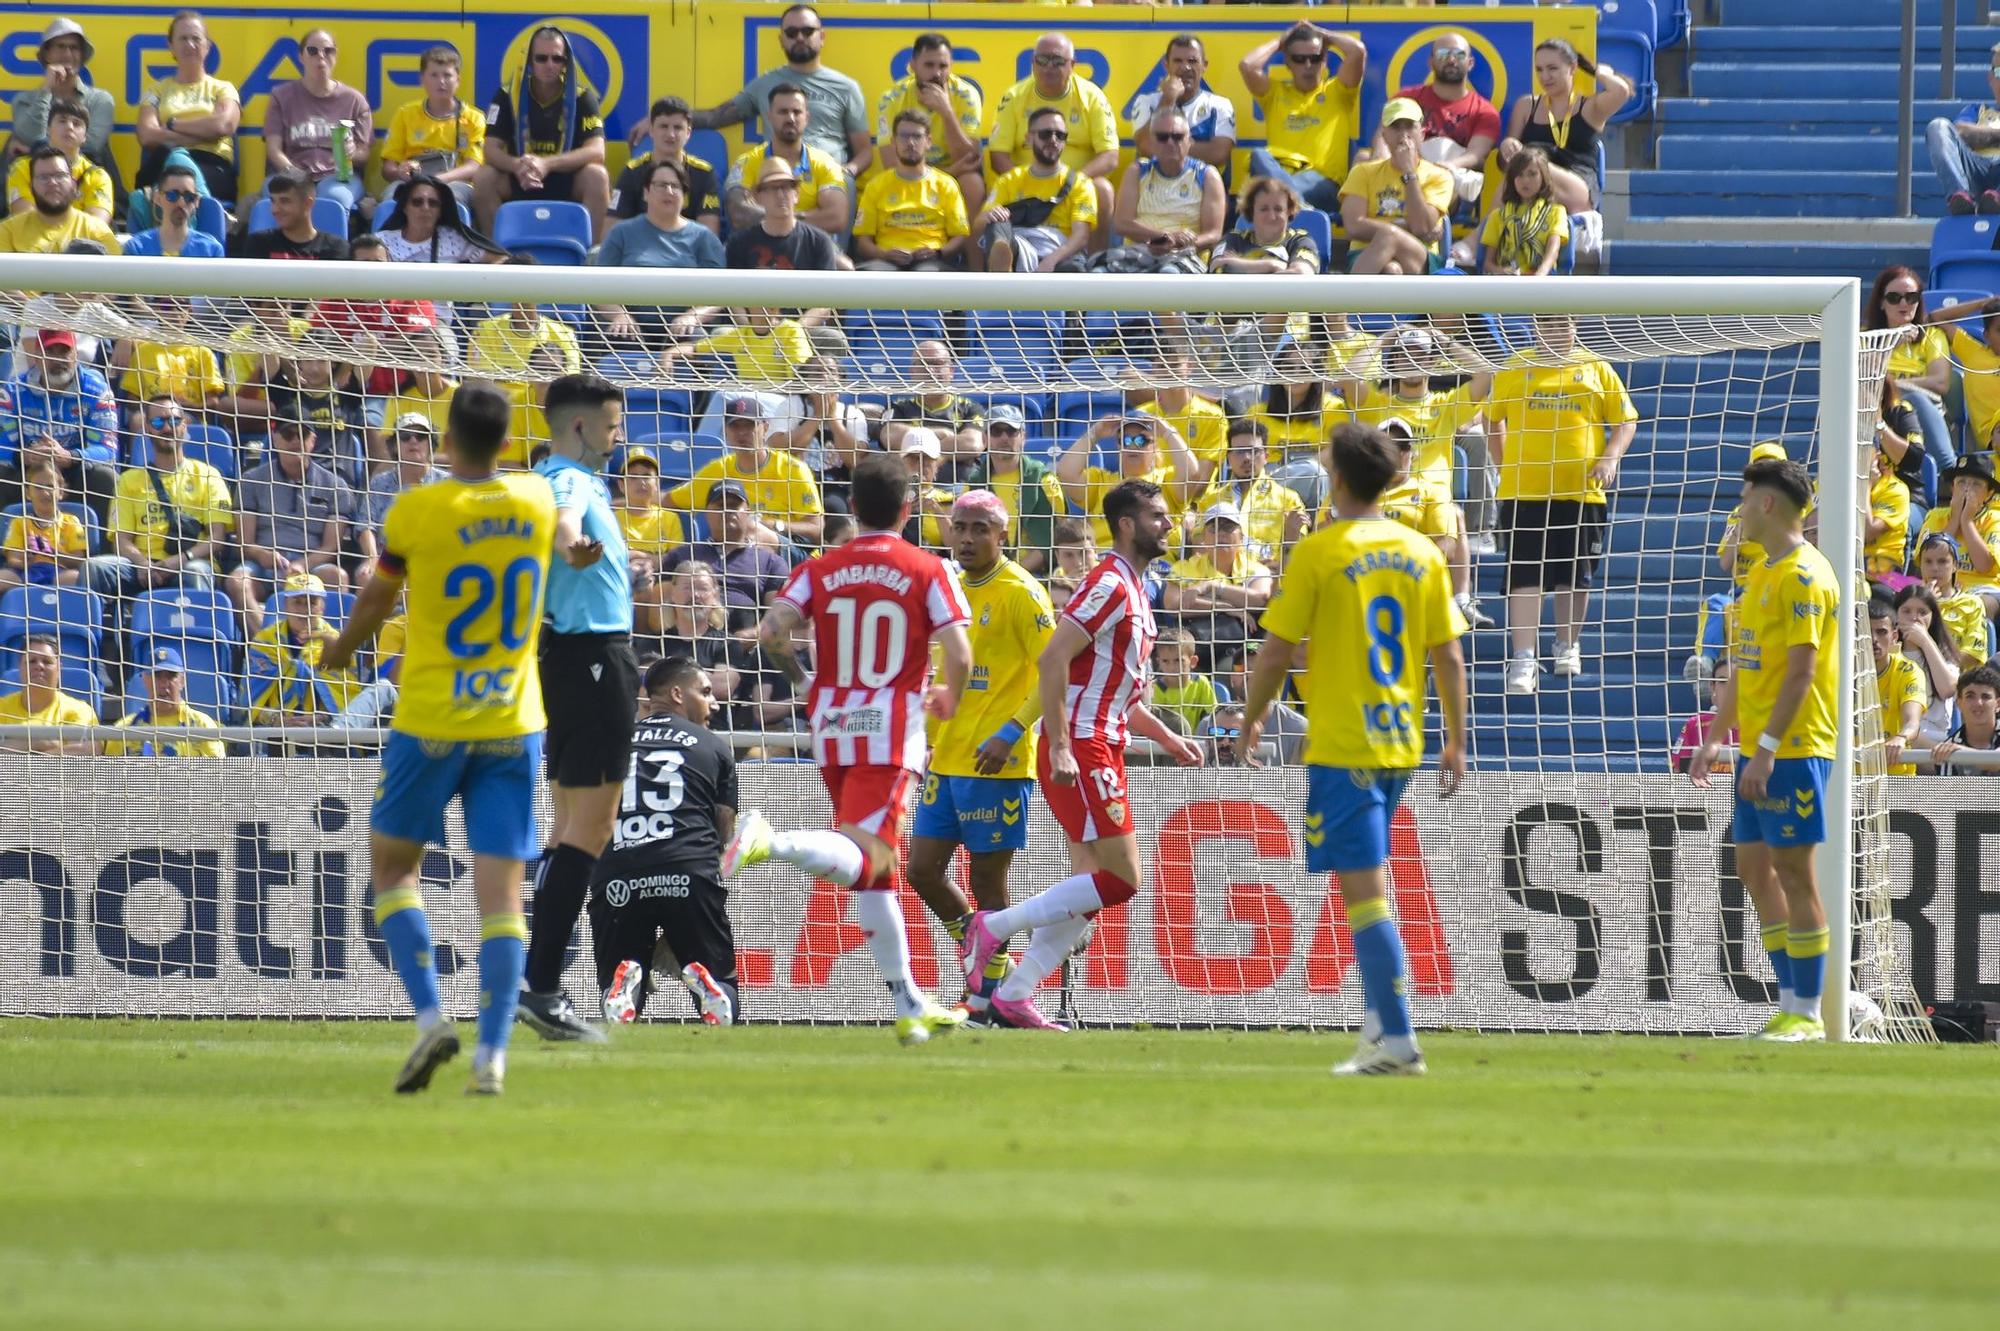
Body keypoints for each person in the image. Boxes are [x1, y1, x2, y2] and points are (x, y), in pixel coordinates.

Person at [320, 380, 560, 1096]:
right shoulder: (537, 500)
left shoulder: (418, 508)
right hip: (513, 722)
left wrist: (340, 651)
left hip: (429, 718)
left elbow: (376, 598)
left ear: (446, 444)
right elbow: (570, 539)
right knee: (504, 899)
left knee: (394, 871)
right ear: (510, 443)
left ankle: (430, 1017)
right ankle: (492, 1056)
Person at [1239, 423, 1468, 1075]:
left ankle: (1397, 1040)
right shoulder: (1420, 551)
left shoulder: (1319, 551)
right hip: (1401, 742)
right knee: (1369, 884)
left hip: (1344, 744)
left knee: (1364, 893)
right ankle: (1376, 1016)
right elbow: (1447, 653)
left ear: (1335, 479)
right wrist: (1454, 739)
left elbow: (1277, 648)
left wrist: (1253, 718)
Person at [724, 453, 973, 1045]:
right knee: (868, 853)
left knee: (874, 870)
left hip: (831, 726)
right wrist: (950, 695)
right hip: (890, 731)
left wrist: (807, 683)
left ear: (852, 508)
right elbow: (959, 653)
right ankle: (771, 840)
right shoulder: (928, 568)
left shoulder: (820, 566)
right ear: (909, 509)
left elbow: (771, 630)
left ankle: (909, 1001)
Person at [960, 480, 1204, 1031]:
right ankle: (992, 928)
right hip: (1083, 746)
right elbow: (1052, 661)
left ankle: (1015, 994)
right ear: (1126, 524)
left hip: (1104, 742)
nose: (1168, 525)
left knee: (1090, 886)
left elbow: (1123, 693)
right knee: (1123, 880)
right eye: (1158, 516)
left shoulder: (1138, 591)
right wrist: (1065, 748)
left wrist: (1166, 739)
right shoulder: (1111, 584)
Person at [1691, 457, 1840, 1042]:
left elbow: (1800, 676)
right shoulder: (1759, 576)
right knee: (1753, 868)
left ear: (1769, 504)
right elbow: (1745, 672)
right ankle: (1789, 1003)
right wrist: (1713, 739)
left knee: (1795, 875)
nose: (1740, 510)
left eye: (1746, 499)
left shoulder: (1806, 575)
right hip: (1757, 748)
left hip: (1795, 748)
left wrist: (1768, 749)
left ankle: (1808, 1012)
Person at [513, 374, 636, 1044]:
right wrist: (575, 548)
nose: (620, 438)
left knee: (566, 831)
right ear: (582, 426)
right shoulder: (568, 480)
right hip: (592, 658)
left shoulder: (561, 477)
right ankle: (541, 988)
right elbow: (564, 525)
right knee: (590, 828)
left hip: (568, 655)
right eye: (613, 426)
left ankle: (528, 977)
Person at [906, 490, 1056, 1020]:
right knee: (922, 871)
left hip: (998, 762)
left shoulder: (1022, 592)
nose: (966, 538)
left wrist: (1012, 731)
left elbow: (1054, 672)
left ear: (1003, 535)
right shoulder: (946, 587)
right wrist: (923, 737)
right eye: (959, 527)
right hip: (945, 758)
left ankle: (991, 996)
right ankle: (987, 959)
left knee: (987, 882)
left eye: (979, 529)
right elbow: (943, 674)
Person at [1486, 315, 1639, 694]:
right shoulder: (1515, 367)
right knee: (1524, 576)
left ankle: (1566, 645)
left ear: (1574, 327)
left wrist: (1610, 458)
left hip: (1581, 491)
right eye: (1547, 324)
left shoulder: (1595, 368)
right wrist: (1506, 465)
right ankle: (1524, 658)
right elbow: (1492, 419)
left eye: (1563, 324)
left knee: (1575, 574)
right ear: (1535, 327)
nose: (1556, 331)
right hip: (1525, 493)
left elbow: (1626, 420)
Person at [591, 655, 742, 1026]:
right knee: (721, 979)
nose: (714, 702)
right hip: (688, 870)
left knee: (620, 983)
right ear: (677, 693)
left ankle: (624, 987)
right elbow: (722, 830)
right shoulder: (714, 745)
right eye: (705, 692)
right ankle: (715, 992)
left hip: (617, 876)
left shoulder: (606, 743)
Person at [692, 4, 871, 177]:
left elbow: (864, 152)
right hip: (777, 180)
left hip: (829, 181)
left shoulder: (846, 88)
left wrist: (847, 172)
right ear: (781, 40)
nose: (800, 37)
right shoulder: (763, 84)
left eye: (808, 31)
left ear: (822, 37)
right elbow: (715, 117)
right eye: (792, 33)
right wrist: (669, 113)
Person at [88, 394, 234, 601]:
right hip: (140, 564)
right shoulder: (128, 480)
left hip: (189, 562)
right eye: (158, 422)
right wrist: (143, 563)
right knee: (95, 568)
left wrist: (178, 560)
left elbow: (217, 539)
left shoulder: (209, 475)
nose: (167, 428)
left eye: (174, 420)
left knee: (196, 572)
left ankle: (196, 633)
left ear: (185, 425)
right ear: (147, 428)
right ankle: (93, 632)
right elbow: (121, 540)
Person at [473, 25, 611, 243]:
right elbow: (490, 150)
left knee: (597, 176)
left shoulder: (582, 97)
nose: (550, 65)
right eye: (541, 58)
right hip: (521, 176)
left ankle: (592, 257)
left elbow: (597, 151)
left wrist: (547, 164)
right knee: (484, 177)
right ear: (529, 61)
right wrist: (517, 166)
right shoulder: (507, 94)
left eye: (557, 59)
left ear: (566, 62)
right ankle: (496, 253)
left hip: (565, 177)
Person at [988, 33, 1120, 243]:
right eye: (1042, 60)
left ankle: (1096, 263)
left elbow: (1110, 156)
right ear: (1032, 63)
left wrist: (1069, 184)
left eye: (1058, 61)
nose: (1049, 66)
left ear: (1072, 65)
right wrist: (1035, 182)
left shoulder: (1092, 96)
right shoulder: (1014, 96)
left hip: (1076, 183)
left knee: (1103, 189)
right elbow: (998, 156)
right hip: (1027, 183)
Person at [1238, 21, 1366, 214]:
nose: (1307, 65)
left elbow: (1357, 51)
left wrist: (1323, 35)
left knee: (1266, 191)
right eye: (1298, 58)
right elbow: (1247, 66)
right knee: (1258, 156)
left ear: (1324, 61)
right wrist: (1282, 40)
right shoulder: (1275, 94)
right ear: (1288, 62)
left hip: (1323, 184)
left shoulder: (1337, 92)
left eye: (1315, 58)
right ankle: (1294, 203)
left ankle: (1289, 201)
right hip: (1278, 177)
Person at [595, 159, 727, 344]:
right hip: (632, 328)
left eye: (676, 186)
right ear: (646, 192)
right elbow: (599, 288)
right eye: (661, 185)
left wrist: (693, 316)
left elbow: (718, 294)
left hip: (684, 329)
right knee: (619, 337)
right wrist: (619, 315)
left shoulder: (703, 238)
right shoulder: (621, 233)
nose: (669, 191)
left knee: (699, 344)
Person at [666, 396, 824, 547]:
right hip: (738, 551)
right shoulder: (718, 470)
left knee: (754, 532)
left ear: (765, 428)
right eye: (735, 426)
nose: (742, 433)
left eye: (749, 425)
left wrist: (774, 525)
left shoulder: (793, 469)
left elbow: (817, 530)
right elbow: (669, 501)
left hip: (789, 552)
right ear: (725, 431)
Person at [1498, 38, 1632, 214]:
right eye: (1539, 69)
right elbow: (1505, 164)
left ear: (1573, 67)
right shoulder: (1526, 105)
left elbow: (1621, 91)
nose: (1545, 77)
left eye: (1552, 68)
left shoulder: (1590, 107)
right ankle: (1475, 240)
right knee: (1518, 172)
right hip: (1530, 180)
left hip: (1576, 183)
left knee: (1532, 162)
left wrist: (1601, 74)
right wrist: (1507, 146)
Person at [0, 326, 119, 514]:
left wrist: (71, 457)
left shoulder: (97, 390)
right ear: (37, 357)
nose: (58, 360)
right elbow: (2, 445)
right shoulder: (13, 391)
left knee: (106, 478)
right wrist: (21, 456)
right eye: (50, 352)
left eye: (65, 352)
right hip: (28, 472)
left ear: (75, 356)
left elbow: (108, 450)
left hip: (75, 471)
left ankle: (105, 544)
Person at [1375, 32, 1500, 209]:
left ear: (1470, 63)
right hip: (1400, 169)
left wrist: (1446, 166)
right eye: (1443, 54)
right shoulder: (1406, 97)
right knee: (1364, 158)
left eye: (1458, 54)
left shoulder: (1484, 110)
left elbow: (1476, 154)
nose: (1451, 60)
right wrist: (1381, 157)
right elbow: (1382, 134)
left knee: (1446, 180)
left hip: (1447, 181)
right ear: (1431, 62)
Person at [235, 416, 355, 598]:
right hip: (264, 564)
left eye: (303, 434)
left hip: (312, 565)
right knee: (237, 581)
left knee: (337, 577)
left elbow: (331, 546)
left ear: (313, 441)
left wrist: (302, 564)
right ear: (275, 439)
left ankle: (326, 628)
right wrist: (262, 555)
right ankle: (265, 627)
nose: (296, 440)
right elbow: (245, 542)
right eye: (288, 434)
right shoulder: (251, 481)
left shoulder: (335, 486)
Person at [976, 105, 1102, 276]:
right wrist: (990, 215)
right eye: (1045, 134)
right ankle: (1002, 275)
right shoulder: (1009, 179)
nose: (1053, 140)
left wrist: (1051, 260)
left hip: (1060, 254)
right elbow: (978, 223)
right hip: (1019, 247)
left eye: (1060, 135)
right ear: (1028, 138)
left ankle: (1005, 286)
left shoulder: (1081, 184)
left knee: (1075, 270)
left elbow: (1081, 236)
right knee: (996, 225)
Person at [134, 11, 240, 204]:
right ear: (171, 46)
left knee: (168, 186)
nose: (190, 44)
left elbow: (224, 125)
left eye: (196, 39)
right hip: (165, 163)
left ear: (207, 46)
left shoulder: (223, 88)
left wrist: (173, 125)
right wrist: (205, 132)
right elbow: (148, 135)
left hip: (211, 166)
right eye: (183, 39)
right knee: (169, 168)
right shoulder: (155, 90)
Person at [874, 32, 986, 213]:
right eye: (929, 65)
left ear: (951, 67)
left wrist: (946, 112)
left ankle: (969, 242)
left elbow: (970, 157)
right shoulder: (891, 98)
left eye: (943, 66)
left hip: (956, 172)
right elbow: (892, 164)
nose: (936, 73)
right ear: (913, 66)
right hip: (908, 172)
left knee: (972, 182)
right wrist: (951, 171)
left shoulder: (966, 94)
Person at [262, 28, 371, 212]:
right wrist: (296, 176)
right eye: (313, 51)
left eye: (328, 51)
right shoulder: (281, 96)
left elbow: (364, 153)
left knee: (332, 199)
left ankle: (331, 242)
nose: (321, 56)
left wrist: (352, 152)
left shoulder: (354, 100)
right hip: (292, 171)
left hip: (338, 177)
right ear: (301, 56)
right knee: (284, 195)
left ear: (335, 56)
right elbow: (274, 150)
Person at [1340, 99, 1453, 276]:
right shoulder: (1363, 172)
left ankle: (1347, 300)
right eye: (1396, 127)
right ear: (1384, 135)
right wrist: (1402, 226)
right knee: (1391, 269)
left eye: (1409, 126)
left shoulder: (1439, 176)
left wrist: (1409, 171)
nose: (1403, 135)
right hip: (1366, 253)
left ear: (1422, 133)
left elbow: (1422, 226)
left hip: (1418, 256)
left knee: (1389, 236)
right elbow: (1353, 226)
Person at [1106, 107, 1226, 273]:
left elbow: (1213, 235)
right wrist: (1162, 237)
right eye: (1162, 137)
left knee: (1168, 274)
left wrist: (1177, 244)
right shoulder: (1137, 171)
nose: (1170, 143)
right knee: (1099, 273)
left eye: (1177, 137)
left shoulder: (1206, 176)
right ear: (1151, 142)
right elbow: (1122, 224)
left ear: (1189, 141)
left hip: (1185, 256)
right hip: (1140, 253)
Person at [1056, 412, 1201, 550]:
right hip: (1107, 562)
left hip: (1156, 566)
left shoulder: (1165, 481)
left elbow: (1192, 474)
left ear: (1154, 447)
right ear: (1118, 447)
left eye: (1141, 440)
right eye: (1126, 440)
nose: (1132, 446)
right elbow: (1066, 473)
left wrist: (1168, 432)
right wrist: (1094, 434)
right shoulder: (1100, 481)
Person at [723, 84, 850, 236]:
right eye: (783, 112)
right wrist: (806, 215)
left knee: (843, 261)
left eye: (797, 112)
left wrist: (776, 217)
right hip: (760, 247)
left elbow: (836, 219)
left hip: (811, 247)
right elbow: (739, 214)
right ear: (769, 116)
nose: (790, 118)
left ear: (807, 118)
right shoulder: (747, 162)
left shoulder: (825, 163)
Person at [246, 570, 365, 728]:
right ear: (286, 606)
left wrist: (322, 718)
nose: (305, 609)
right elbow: (249, 698)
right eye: (298, 602)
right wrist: (275, 720)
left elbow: (347, 698)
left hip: (325, 730)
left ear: (322, 607)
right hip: (274, 730)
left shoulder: (337, 642)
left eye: (312, 602)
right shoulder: (264, 641)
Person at [853, 112, 969, 272]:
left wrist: (939, 253)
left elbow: (960, 236)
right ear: (893, 142)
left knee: (926, 275)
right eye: (904, 136)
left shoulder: (946, 184)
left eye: (917, 136)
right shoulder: (876, 185)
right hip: (886, 260)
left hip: (932, 261)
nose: (911, 143)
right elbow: (863, 242)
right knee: (878, 276)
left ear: (928, 142)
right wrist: (884, 254)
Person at [380, 45, 487, 209]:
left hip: (455, 183)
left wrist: (437, 180)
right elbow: (388, 168)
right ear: (422, 79)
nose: (441, 81)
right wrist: (399, 172)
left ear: (458, 80)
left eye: (447, 75)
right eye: (434, 75)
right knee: (389, 201)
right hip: (411, 182)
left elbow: (473, 167)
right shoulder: (405, 114)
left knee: (452, 201)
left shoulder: (474, 118)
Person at [1188, 417, 1307, 563]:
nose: (1246, 458)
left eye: (1254, 451)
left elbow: (1299, 557)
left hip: (1271, 580)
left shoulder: (1288, 499)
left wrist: (1290, 538)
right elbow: (1199, 551)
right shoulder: (1211, 500)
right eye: (1239, 452)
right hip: (1222, 580)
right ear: (1229, 459)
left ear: (1266, 457)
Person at [1872, 267, 1956, 471]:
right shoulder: (1866, 337)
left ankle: (1949, 470)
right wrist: (1891, 343)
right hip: (1878, 408)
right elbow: (1862, 378)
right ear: (1882, 303)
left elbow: (1940, 382)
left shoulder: (1932, 336)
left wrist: (1894, 385)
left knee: (1915, 399)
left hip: (1923, 407)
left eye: (1911, 297)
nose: (1904, 303)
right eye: (1894, 297)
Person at [965, 404, 1064, 576]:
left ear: (1023, 437)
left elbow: (1058, 538)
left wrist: (1010, 573)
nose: (1004, 438)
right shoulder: (973, 485)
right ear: (985, 438)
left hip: (1038, 575)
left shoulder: (1044, 480)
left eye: (1011, 432)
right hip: (985, 573)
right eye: (996, 431)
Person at [7, 20, 115, 172]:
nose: (67, 54)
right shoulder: (24, 100)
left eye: (74, 48)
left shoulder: (99, 100)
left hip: (83, 182)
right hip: (33, 182)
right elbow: (29, 135)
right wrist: (46, 90)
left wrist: (32, 149)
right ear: (46, 54)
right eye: (61, 47)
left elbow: (92, 146)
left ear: (82, 55)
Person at [1128, 33, 1236, 173]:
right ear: (1166, 65)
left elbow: (1218, 154)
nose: (1185, 67)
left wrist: (1163, 146)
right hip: (1154, 190)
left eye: (1192, 61)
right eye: (1178, 61)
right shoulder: (1146, 102)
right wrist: (1168, 99)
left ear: (1204, 65)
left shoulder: (1220, 105)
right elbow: (1145, 147)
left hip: (1204, 189)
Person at [613, 96, 721, 230]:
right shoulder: (632, 172)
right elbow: (610, 233)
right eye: (663, 126)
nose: (671, 134)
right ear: (651, 130)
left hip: (686, 249)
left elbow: (709, 237)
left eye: (677, 128)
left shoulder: (704, 174)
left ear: (688, 133)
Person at [722, 157, 846, 271]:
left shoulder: (818, 243)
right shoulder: (739, 244)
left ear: (796, 194)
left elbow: (825, 292)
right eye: (772, 188)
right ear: (758, 197)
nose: (780, 195)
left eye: (786, 187)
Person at [101, 646, 224, 758]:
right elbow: (112, 778)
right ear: (145, 680)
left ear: (182, 681)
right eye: (157, 676)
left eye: (171, 676)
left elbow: (217, 776)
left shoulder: (202, 726)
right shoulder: (125, 727)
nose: (164, 684)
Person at [1917, 455, 2000, 619]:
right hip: (1940, 583)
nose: (1967, 489)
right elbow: (1930, 558)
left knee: (1979, 605)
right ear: (1952, 488)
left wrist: (1967, 521)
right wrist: (1955, 519)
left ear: (1989, 494)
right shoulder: (1935, 516)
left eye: (1976, 484)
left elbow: (1984, 565)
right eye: (1961, 482)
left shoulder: (1995, 519)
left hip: (1983, 588)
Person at [0, 146, 118, 254]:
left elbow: (115, 274)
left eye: (60, 176)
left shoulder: (98, 232)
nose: (53, 182)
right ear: (31, 187)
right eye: (44, 177)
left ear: (73, 184)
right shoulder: (8, 232)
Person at [6, 100, 110, 222]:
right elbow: (25, 220)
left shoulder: (97, 176)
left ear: (85, 137)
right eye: (62, 121)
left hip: (80, 240)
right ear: (48, 129)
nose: (69, 127)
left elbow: (97, 227)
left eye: (76, 124)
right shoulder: (22, 168)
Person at [884, 340, 984, 464]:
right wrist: (942, 434)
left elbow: (972, 445)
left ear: (951, 370)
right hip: (914, 481)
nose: (930, 370)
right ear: (912, 371)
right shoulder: (899, 407)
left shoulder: (970, 408)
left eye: (937, 363)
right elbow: (890, 437)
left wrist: (916, 446)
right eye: (923, 363)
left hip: (960, 482)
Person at [1931, 43, 2000, 214]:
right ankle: (1960, 195)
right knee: (1938, 126)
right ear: (1990, 78)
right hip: (1974, 168)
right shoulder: (1977, 110)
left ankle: (1996, 198)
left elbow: (1970, 134)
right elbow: (1959, 132)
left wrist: (1981, 136)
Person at [377, 172, 503, 264]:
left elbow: (500, 259)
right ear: (404, 207)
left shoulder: (453, 239)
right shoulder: (382, 242)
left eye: (433, 203)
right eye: (417, 202)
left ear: (440, 211)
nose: (425, 208)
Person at [1479, 147, 1568, 276]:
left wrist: (1540, 273)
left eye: (1532, 174)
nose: (1525, 181)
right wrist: (1502, 271)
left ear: (1543, 177)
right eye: (1519, 175)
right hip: (1508, 282)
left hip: (1542, 280)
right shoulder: (1497, 216)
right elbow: (1488, 263)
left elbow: (1553, 250)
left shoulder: (1556, 212)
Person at [0, 635, 96, 753]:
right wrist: (39, 741)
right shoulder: (2, 708)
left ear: (58, 668)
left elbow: (87, 751)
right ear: (20, 667)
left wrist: (14, 746)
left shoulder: (78, 710)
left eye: (47, 661)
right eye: (32, 661)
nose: (39, 666)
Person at [1867, 593, 1928, 776]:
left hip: (1896, 776)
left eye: (1881, 632)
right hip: (1850, 777)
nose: (1874, 639)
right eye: (1866, 632)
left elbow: (1912, 722)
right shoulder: (1843, 672)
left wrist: (1901, 738)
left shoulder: (1908, 671)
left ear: (1894, 636)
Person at [1893, 584, 1962, 739]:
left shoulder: (1943, 655)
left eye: (1922, 612)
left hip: (1932, 737)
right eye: (1906, 611)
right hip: (1893, 732)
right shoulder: (1887, 652)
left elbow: (1948, 689)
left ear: (1933, 617)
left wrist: (1925, 641)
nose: (1914, 617)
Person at [1, 463, 86, 588]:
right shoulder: (19, 522)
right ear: (28, 492)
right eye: (38, 487)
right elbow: (12, 559)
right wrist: (26, 559)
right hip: (25, 572)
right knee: (3, 576)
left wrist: (52, 552)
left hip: (59, 572)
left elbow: (79, 561)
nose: (45, 493)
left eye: (50, 487)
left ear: (61, 491)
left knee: (77, 577)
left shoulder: (71, 521)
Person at [1915, 532, 1991, 665]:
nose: (1934, 568)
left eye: (1942, 561)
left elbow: (1972, 656)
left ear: (1955, 565)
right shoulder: (1911, 602)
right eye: (1928, 561)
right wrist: (1925, 606)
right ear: (1920, 565)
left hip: (1956, 677)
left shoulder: (1972, 604)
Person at [241, 171, 350, 261]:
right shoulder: (259, 243)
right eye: (273, 201)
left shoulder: (336, 248)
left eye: (285, 201)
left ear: (308, 204)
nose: (275, 209)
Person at [121, 162, 223, 257]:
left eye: (189, 197)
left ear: (196, 202)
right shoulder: (136, 248)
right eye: (173, 195)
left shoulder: (211, 251)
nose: (181, 203)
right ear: (157, 198)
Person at [1150, 626, 1222, 736]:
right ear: (1158, 662)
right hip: (1165, 744)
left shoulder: (1200, 682)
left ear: (1193, 661)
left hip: (1197, 741)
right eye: (1165, 661)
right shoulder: (1155, 688)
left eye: (1178, 660)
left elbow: (1214, 715)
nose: (1172, 667)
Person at [1929, 662, 2000, 772]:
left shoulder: (1952, 749)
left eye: (1985, 697)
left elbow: (1996, 762)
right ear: (1959, 703)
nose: (1978, 703)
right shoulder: (1948, 748)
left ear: (1998, 704)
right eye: (1970, 696)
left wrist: (1961, 752)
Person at [1864, 445, 1912, 579]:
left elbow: (1869, 531)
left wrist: (1865, 485)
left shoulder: (1895, 489)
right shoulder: (1825, 484)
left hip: (1882, 576)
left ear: (1877, 456)